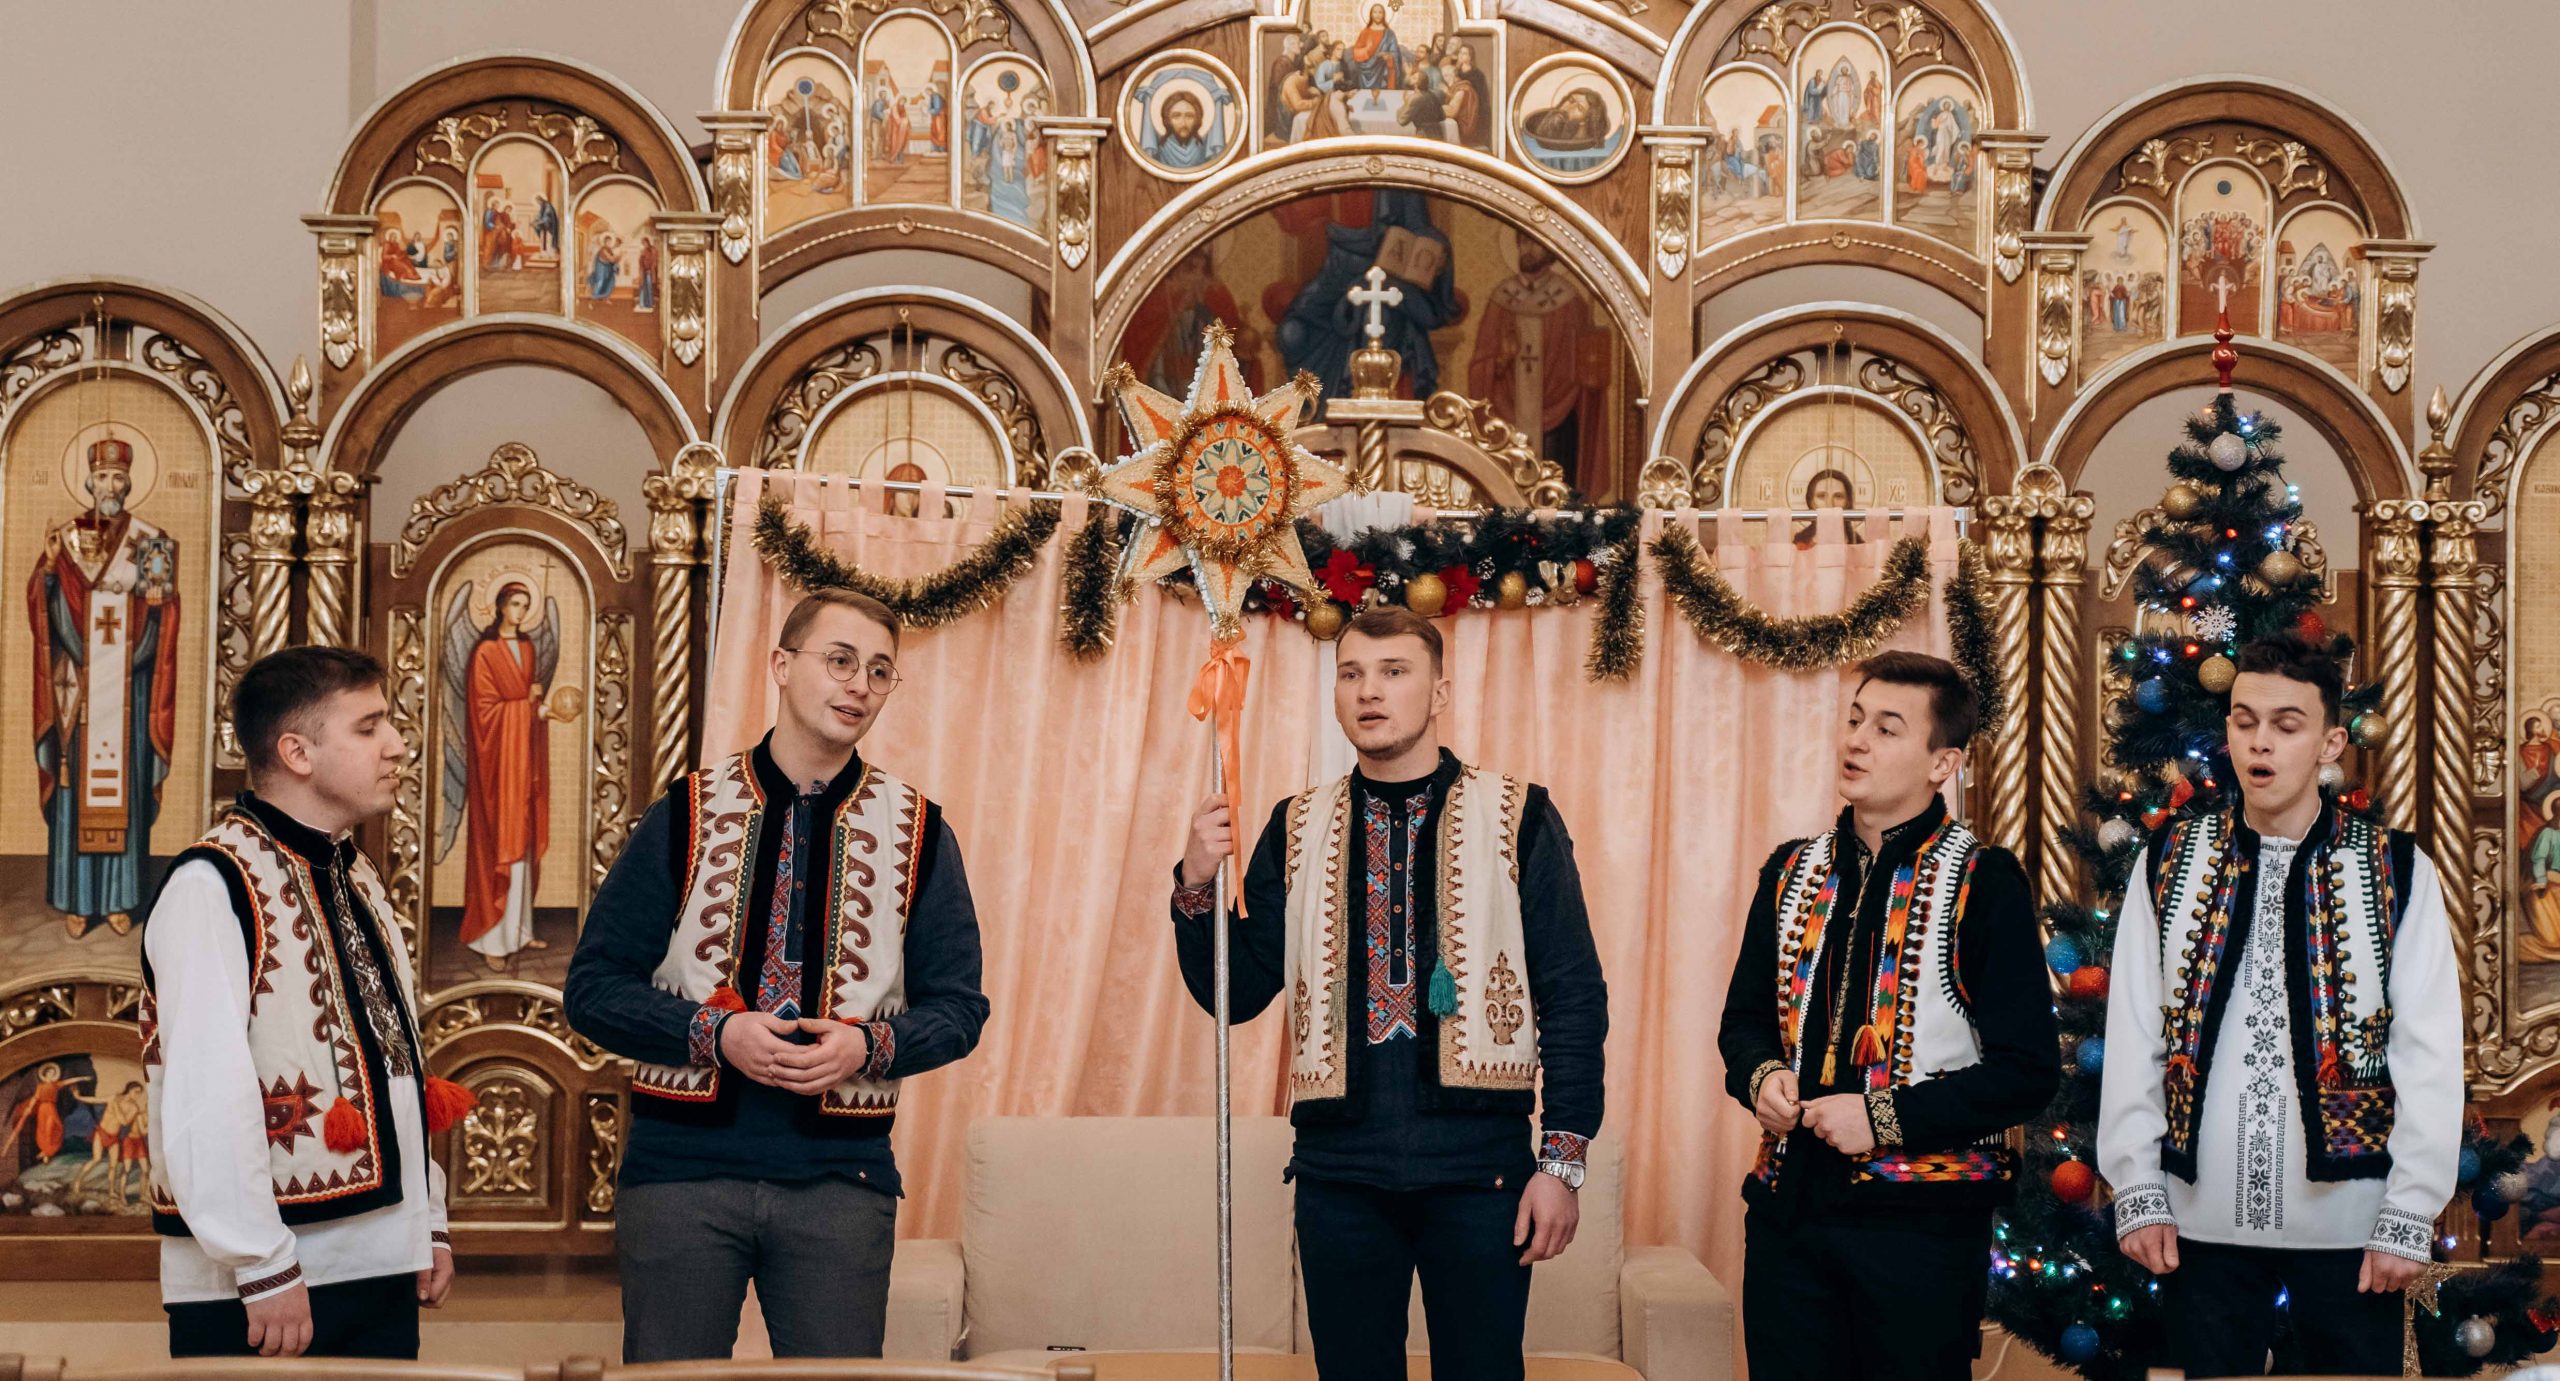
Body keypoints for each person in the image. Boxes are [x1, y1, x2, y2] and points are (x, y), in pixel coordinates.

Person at [1172, 606, 1608, 1381]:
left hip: (1482, 1176)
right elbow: (1233, 993)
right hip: (1339, 1176)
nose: (1369, 690)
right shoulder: (1295, 826)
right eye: (1351, 674)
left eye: (1393, 671)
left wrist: (1562, 1163)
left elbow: (1572, 996)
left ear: (1439, 692)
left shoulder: (1519, 815)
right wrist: (1197, 884)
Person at [566, 588, 989, 1361]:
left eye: (880, 670)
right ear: (782, 665)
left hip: (840, 1178)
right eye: (840, 660)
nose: (860, 684)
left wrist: (868, 1047)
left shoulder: (919, 830)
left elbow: (961, 1008)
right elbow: (593, 987)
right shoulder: (687, 812)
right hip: (680, 1175)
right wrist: (715, 1033)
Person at [2099, 633, 2461, 1379]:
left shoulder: (2395, 868)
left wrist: (2410, 1209)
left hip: (2353, 1229)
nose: (2259, 742)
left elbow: (2428, 1052)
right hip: (2196, 1224)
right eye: (2244, 721)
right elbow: (2135, 1033)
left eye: (2286, 725)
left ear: (2330, 743)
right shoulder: (2168, 859)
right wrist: (2136, 1185)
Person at [1719, 651, 2055, 1381]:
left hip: (1923, 1234)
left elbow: (2027, 1072)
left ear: (1943, 763)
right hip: (1787, 1219)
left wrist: (1882, 1117)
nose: (1857, 740)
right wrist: (1762, 1077)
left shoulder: (1983, 882)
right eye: (1854, 719)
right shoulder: (1791, 871)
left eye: (1886, 728)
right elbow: (1742, 1023)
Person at [141, 646, 466, 1359]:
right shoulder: (213, 884)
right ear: (297, 752)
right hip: (267, 1280)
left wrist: (426, 1216)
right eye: (368, 727)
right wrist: (259, 1260)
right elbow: (203, 1089)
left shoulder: (356, 874)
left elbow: (396, 1064)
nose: (397, 744)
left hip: (381, 1260)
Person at [30, 436, 179, 940]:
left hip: (129, 690)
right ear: (89, 481)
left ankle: (118, 899)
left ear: (129, 482)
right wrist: (49, 570)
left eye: (118, 477)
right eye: (102, 477)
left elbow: (164, 612)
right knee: (76, 788)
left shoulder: (150, 541)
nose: (110, 486)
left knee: (125, 789)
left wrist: (154, 613)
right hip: (77, 686)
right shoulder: (65, 539)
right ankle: (78, 901)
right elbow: (43, 604)